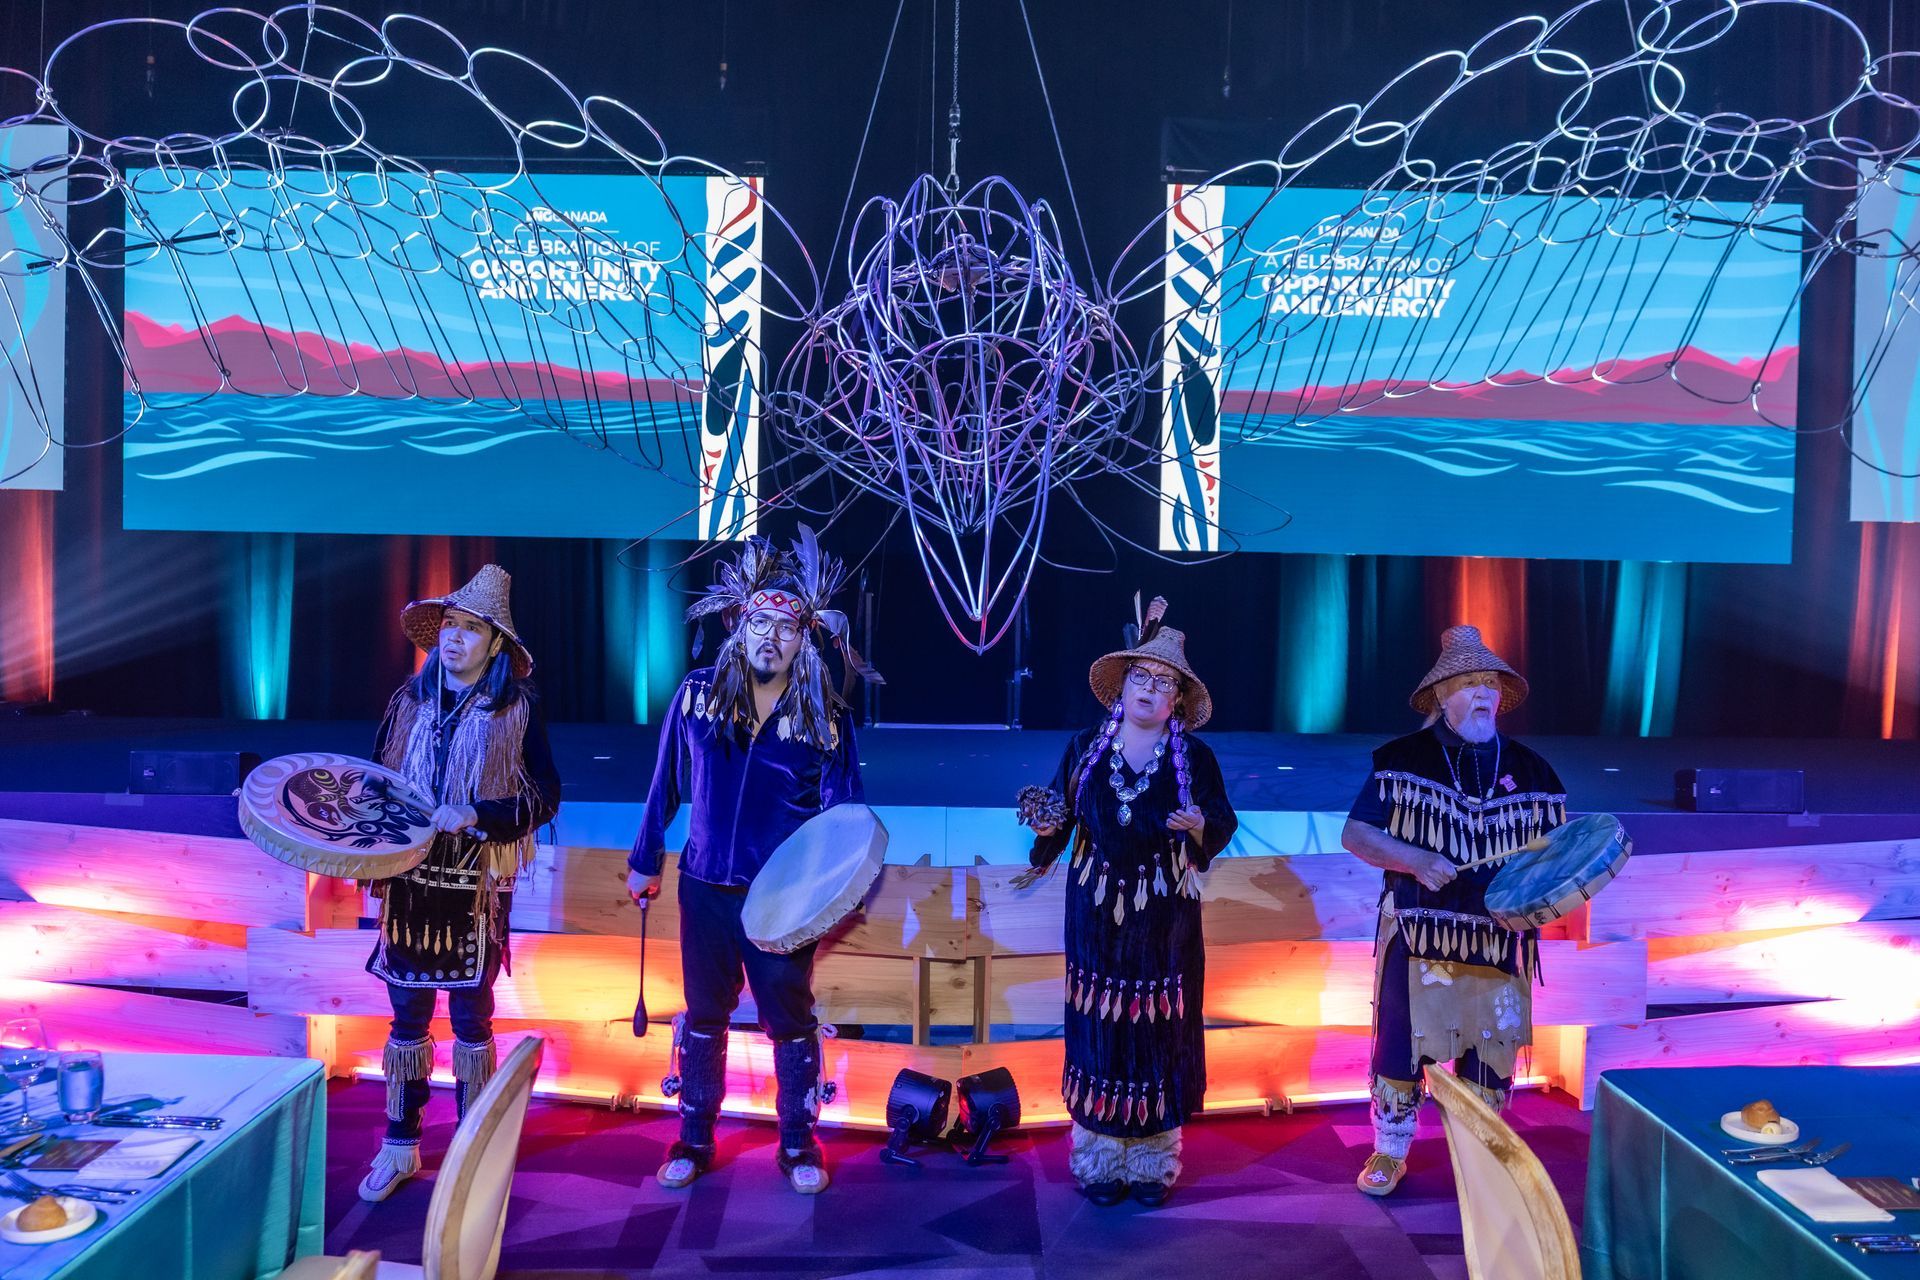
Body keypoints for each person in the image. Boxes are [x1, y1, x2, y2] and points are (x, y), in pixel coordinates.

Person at [627, 530, 873, 1195]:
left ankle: (798, 1143)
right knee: (704, 1013)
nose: (771, 637)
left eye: (786, 628)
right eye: (759, 622)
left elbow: (844, 816)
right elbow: (665, 784)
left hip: (781, 899)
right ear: (739, 626)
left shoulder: (823, 712)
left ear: (803, 640)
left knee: (789, 1019)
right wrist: (645, 856)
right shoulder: (696, 694)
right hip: (704, 887)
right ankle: (694, 1138)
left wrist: (833, 895)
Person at [1018, 597, 1238, 1208]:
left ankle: (1151, 1160)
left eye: (1162, 682)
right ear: (1122, 686)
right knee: (1097, 1028)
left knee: (1160, 1031)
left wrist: (1198, 825)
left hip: (1164, 918)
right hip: (1094, 916)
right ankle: (1097, 1156)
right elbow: (1062, 822)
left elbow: (1221, 821)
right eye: (1140, 676)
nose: (1149, 688)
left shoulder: (1196, 759)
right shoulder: (1085, 746)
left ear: (1177, 701)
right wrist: (1043, 838)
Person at [1340, 624, 1567, 1197]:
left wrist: (1549, 894)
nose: (1484, 692)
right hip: (1417, 933)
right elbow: (1355, 834)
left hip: (1495, 939)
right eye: (1469, 682)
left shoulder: (1535, 773)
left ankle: (1484, 1155)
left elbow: (1557, 860)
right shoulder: (1401, 760)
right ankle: (1390, 1150)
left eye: (1490, 682)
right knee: (1399, 1041)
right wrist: (1415, 859)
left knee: (1489, 1050)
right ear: (1442, 695)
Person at [358, 564, 561, 1202]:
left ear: (495, 644)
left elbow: (546, 798)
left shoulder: (518, 711)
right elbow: (370, 784)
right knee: (406, 1020)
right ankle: (400, 1144)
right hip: (407, 887)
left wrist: (478, 815)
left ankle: (473, 1150)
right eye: (450, 625)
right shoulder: (407, 702)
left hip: (473, 891)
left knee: (472, 1022)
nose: (454, 638)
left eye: (472, 629)